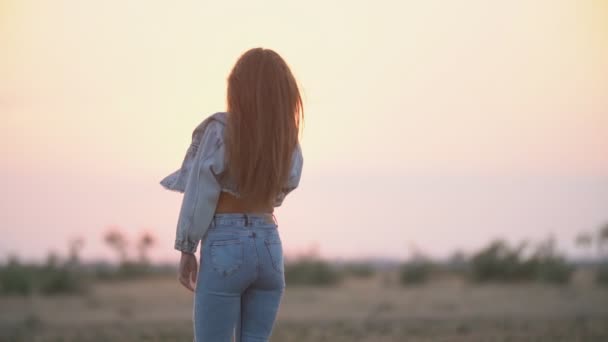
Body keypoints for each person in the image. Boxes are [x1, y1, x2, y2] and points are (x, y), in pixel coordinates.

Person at [160, 47, 304, 342]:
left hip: (225, 243)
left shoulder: (220, 129)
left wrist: (187, 247)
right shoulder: (286, 135)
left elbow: (200, 192)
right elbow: (289, 181)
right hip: (269, 243)